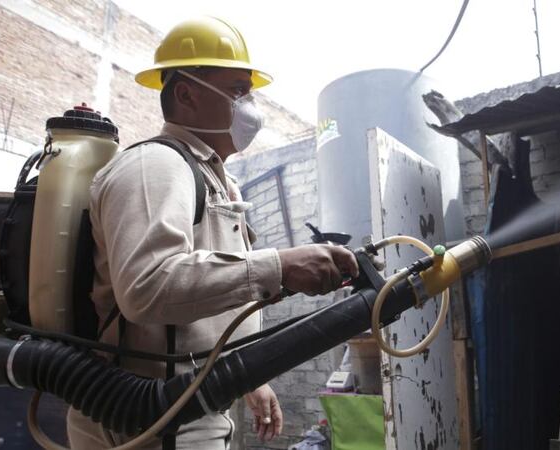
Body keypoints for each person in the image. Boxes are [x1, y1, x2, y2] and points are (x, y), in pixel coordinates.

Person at [66, 16, 358, 450]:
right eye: (238, 90)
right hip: (150, 414)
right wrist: (279, 266)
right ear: (186, 93)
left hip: (190, 405)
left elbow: (204, 301)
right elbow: (147, 287)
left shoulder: (209, 175)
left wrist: (245, 377)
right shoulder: (157, 165)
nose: (250, 106)